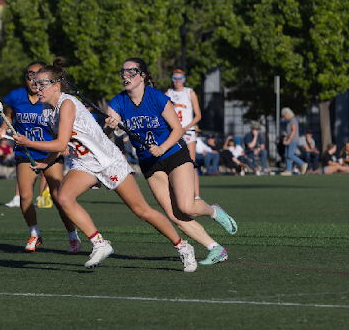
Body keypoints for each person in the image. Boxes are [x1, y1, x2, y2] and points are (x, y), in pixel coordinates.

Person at [14, 57, 198, 271]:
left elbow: (61, 141)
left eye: (41, 84)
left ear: (56, 86)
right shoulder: (48, 111)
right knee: (64, 197)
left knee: (142, 211)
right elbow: (65, 147)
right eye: (35, 84)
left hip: (108, 161)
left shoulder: (66, 104)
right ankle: (99, 243)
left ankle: (183, 247)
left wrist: (28, 142)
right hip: (84, 163)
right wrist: (45, 162)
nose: (36, 88)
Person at [105, 57, 237, 266]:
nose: (126, 76)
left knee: (187, 207)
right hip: (149, 162)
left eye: (131, 72)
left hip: (174, 153)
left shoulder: (157, 97)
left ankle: (213, 211)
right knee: (174, 215)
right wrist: (111, 127)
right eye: (124, 72)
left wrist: (162, 148)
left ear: (143, 76)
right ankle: (215, 248)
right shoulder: (118, 102)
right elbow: (107, 135)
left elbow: (177, 129)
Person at [0, 61, 80, 253]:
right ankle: (34, 233)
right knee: (25, 196)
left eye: (37, 76)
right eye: (29, 75)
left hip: (51, 152)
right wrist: (3, 128)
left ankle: (72, 235)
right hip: (26, 153)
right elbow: (8, 116)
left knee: (59, 198)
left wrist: (64, 143)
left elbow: (64, 124)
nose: (33, 80)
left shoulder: (52, 99)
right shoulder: (15, 96)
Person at [165, 68, 202, 199]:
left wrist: (186, 127)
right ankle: (175, 196)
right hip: (174, 133)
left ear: (184, 80)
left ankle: (196, 196)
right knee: (172, 164)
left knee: (191, 163)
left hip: (187, 132)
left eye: (180, 79)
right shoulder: (168, 93)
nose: (177, 81)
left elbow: (198, 115)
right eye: (174, 78)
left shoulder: (189, 93)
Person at [281, 107, 308, 176]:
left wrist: (289, 139)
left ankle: (302, 164)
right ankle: (289, 170)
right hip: (290, 139)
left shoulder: (293, 120)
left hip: (293, 140)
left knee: (290, 154)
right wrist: (286, 138)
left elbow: (294, 130)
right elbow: (289, 131)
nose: (285, 117)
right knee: (287, 154)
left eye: (285, 116)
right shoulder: (289, 121)